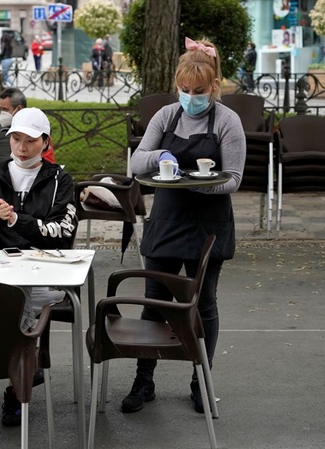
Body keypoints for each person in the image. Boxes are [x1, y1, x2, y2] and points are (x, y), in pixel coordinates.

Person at [124, 36, 245, 415]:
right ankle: (144, 381)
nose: (190, 96)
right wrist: (159, 155)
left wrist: (194, 182)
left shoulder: (228, 121)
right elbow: (135, 163)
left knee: (202, 304)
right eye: (184, 89)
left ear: (213, 87)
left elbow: (234, 179)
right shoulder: (166, 116)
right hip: (167, 221)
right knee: (153, 304)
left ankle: (201, 384)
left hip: (208, 224)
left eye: (198, 90)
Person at [0, 107, 78, 427]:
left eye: (30, 140)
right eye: (15, 139)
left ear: (46, 142)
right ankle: (22, 369)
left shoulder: (60, 179)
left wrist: (15, 220)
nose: (21, 147)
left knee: (20, 298)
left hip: (42, 270)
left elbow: (63, 232)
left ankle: (14, 382)